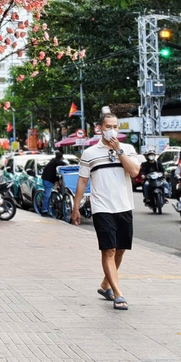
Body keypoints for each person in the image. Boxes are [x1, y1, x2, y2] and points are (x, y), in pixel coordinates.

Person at [72, 109, 140, 311]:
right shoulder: (89, 153)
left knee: (120, 250)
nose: (112, 130)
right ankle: (118, 294)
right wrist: (76, 207)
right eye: (108, 127)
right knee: (108, 249)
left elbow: (135, 172)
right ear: (99, 129)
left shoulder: (127, 148)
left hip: (124, 205)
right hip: (101, 207)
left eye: (115, 127)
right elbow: (82, 181)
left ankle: (105, 285)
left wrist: (119, 151)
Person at [40, 151, 63, 218]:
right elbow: (62, 163)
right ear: (60, 158)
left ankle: (48, 208)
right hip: (48, 180)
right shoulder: (55, 162)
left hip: (47, 179)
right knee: (47, 195)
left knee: (50, 194)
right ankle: (44, 211)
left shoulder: (53, 162)